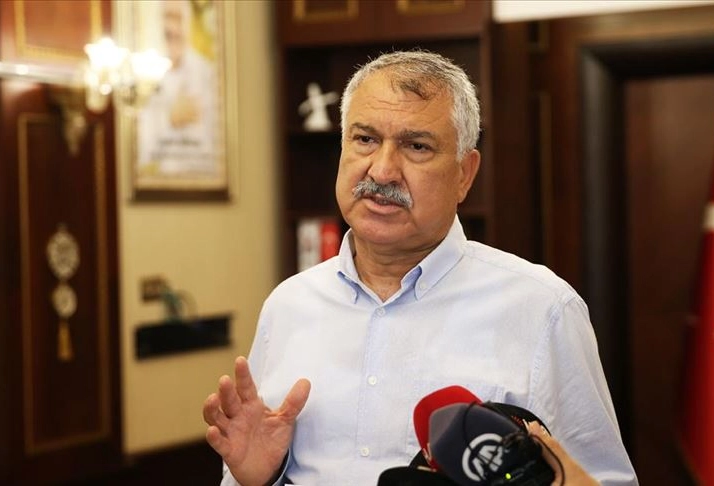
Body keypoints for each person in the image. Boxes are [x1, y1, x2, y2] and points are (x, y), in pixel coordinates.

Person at [203, 50, 638, 486]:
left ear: (465, 174)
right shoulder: (289, 304)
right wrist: (260, 478)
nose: (383, 171)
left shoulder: (543, 309)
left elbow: (604, 480)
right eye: (365, 139)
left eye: (416, 146)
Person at [136, 0, 219, 177]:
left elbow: (216, 141)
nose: (171, 28)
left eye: (177, 18)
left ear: (188, 23)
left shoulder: (207, 74)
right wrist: (170, 119)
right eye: (167, 17)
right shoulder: (144, 75)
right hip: (159, 182)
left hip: (202, 178)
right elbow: (139, 149)